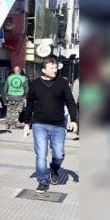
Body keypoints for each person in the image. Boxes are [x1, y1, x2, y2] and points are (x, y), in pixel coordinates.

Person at [23, 57, 78, 193]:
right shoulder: (35, 84)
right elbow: (29, 105)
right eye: (52, 67)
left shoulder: (62, 83)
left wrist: (73, 120)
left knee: (59, 154)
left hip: (58, 125)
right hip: (39, 124)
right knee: (41, 155)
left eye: (55, 67)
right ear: (43, 70)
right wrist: (26, 124)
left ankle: (54, 168)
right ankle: (42, 181)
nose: (55, 70)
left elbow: (70, 102)